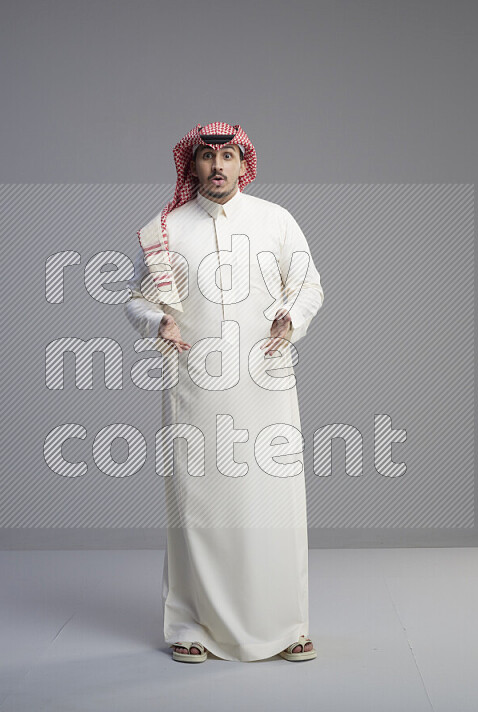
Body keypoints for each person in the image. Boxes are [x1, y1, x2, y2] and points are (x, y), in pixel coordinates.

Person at [124, 122, 324, 662]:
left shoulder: (276, 220)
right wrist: (156, 324)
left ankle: (287, 625)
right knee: (198, 505)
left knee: (273, 500)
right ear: (190, 166)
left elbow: (308, 285)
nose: (218, 167)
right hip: (194, 385)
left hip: (265, 381)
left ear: (243, 163)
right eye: (207, 158)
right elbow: (139, 300)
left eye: (228, 156)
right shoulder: (165, 229)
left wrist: (290, 318)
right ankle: (191, 626)